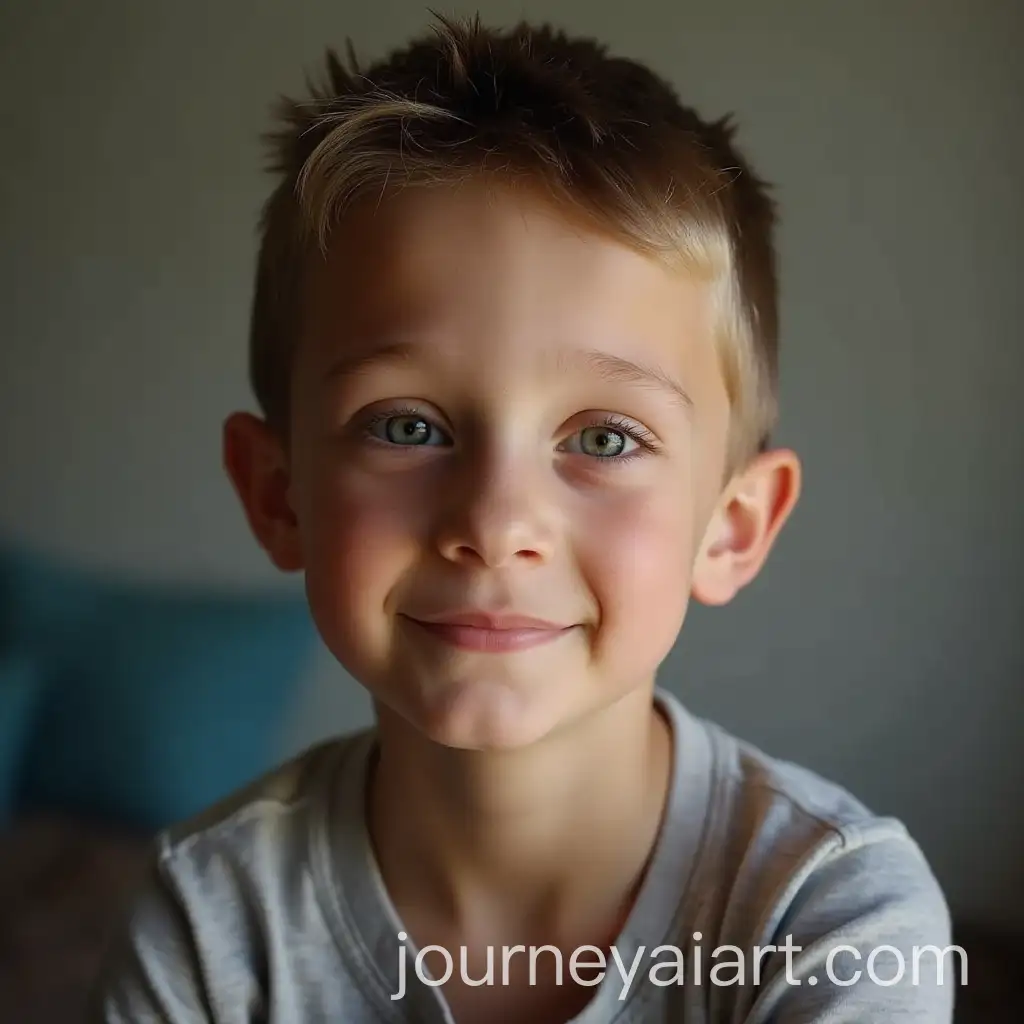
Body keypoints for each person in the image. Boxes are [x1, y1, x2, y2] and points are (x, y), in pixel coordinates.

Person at [91, 14, 956, 1023]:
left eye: (602, 439)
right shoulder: (206, 923)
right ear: (278, 493)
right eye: (407, 423)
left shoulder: (830, 922)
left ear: (731, 526)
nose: (497, 524)